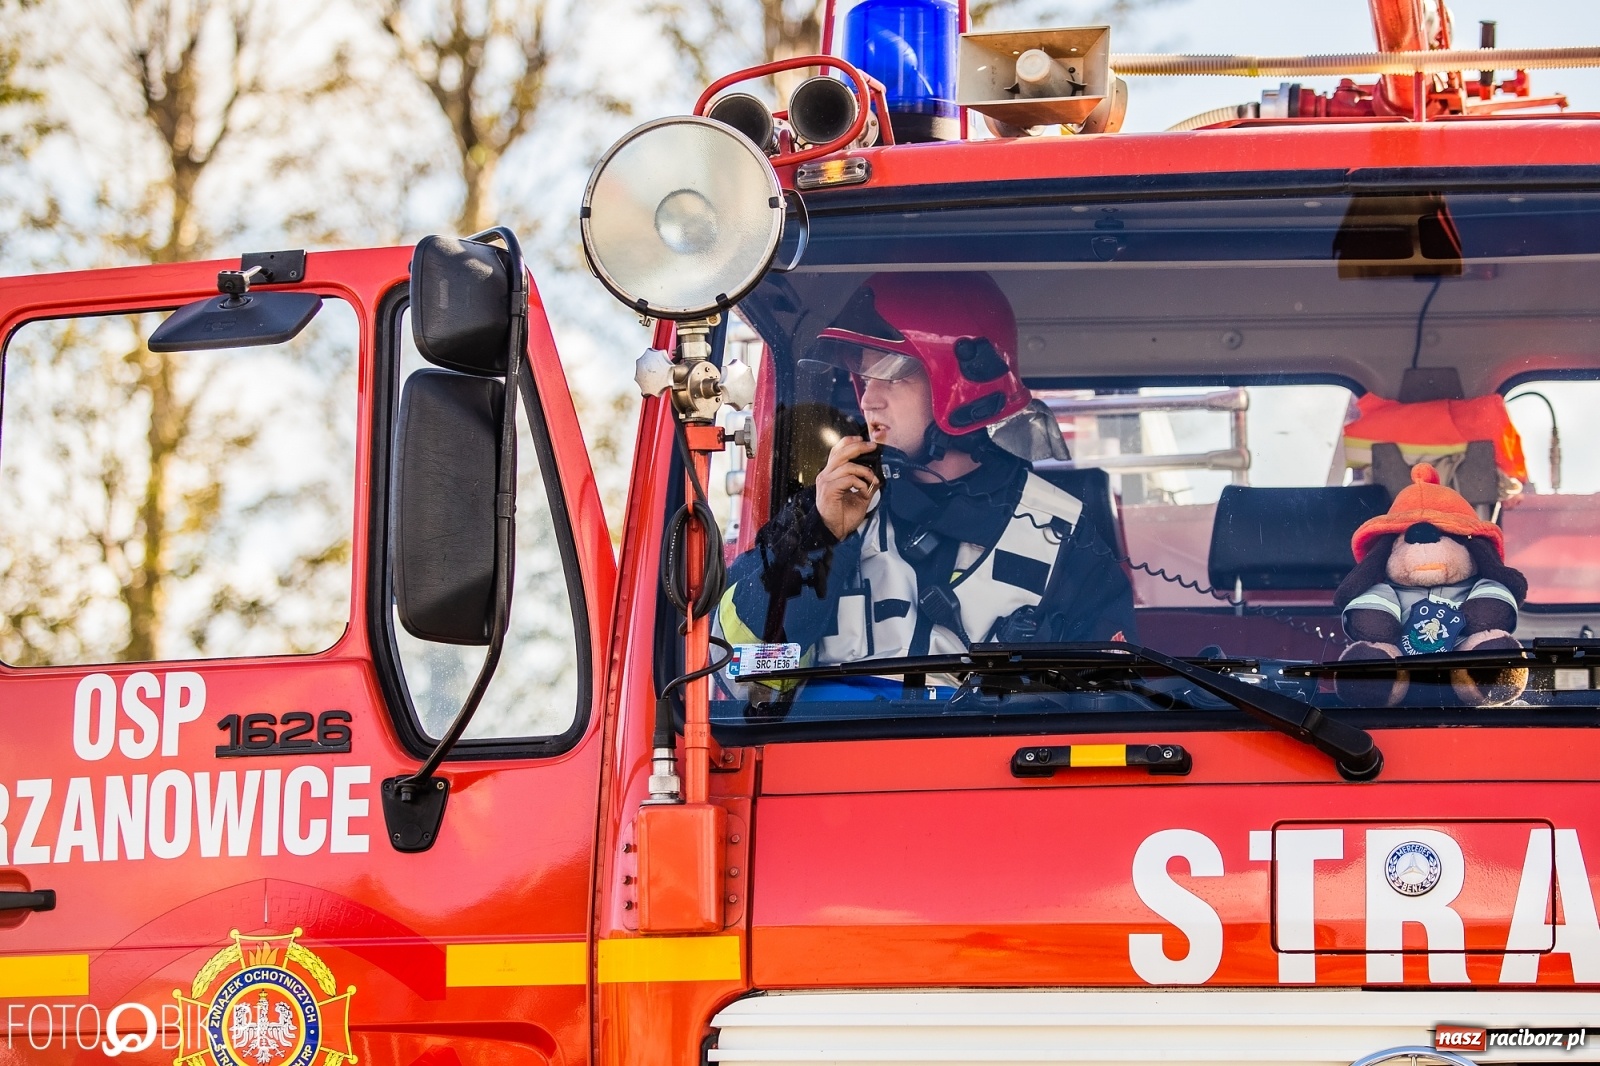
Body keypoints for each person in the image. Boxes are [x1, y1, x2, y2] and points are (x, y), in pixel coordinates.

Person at [716, 272, 1135, 685]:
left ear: (959, 386)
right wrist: (819, 539)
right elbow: (740, 669)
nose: (869, 399)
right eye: (862, 378)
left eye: (892, 375)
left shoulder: (1062, 535)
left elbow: (1108, 703)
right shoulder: (827, 505)